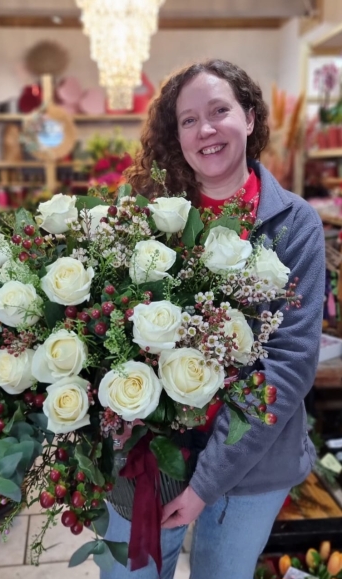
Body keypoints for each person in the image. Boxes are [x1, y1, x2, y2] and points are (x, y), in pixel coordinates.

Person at [101, 59, 325, 579]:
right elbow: (104, 327)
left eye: (219, 111)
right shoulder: (145, 215)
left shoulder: (295, 226)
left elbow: (287, 366)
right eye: (187, 119)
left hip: (251, 466)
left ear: (249, 119)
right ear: (174, 134)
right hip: (149, 458)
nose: (204, 129)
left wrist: (207, 483)